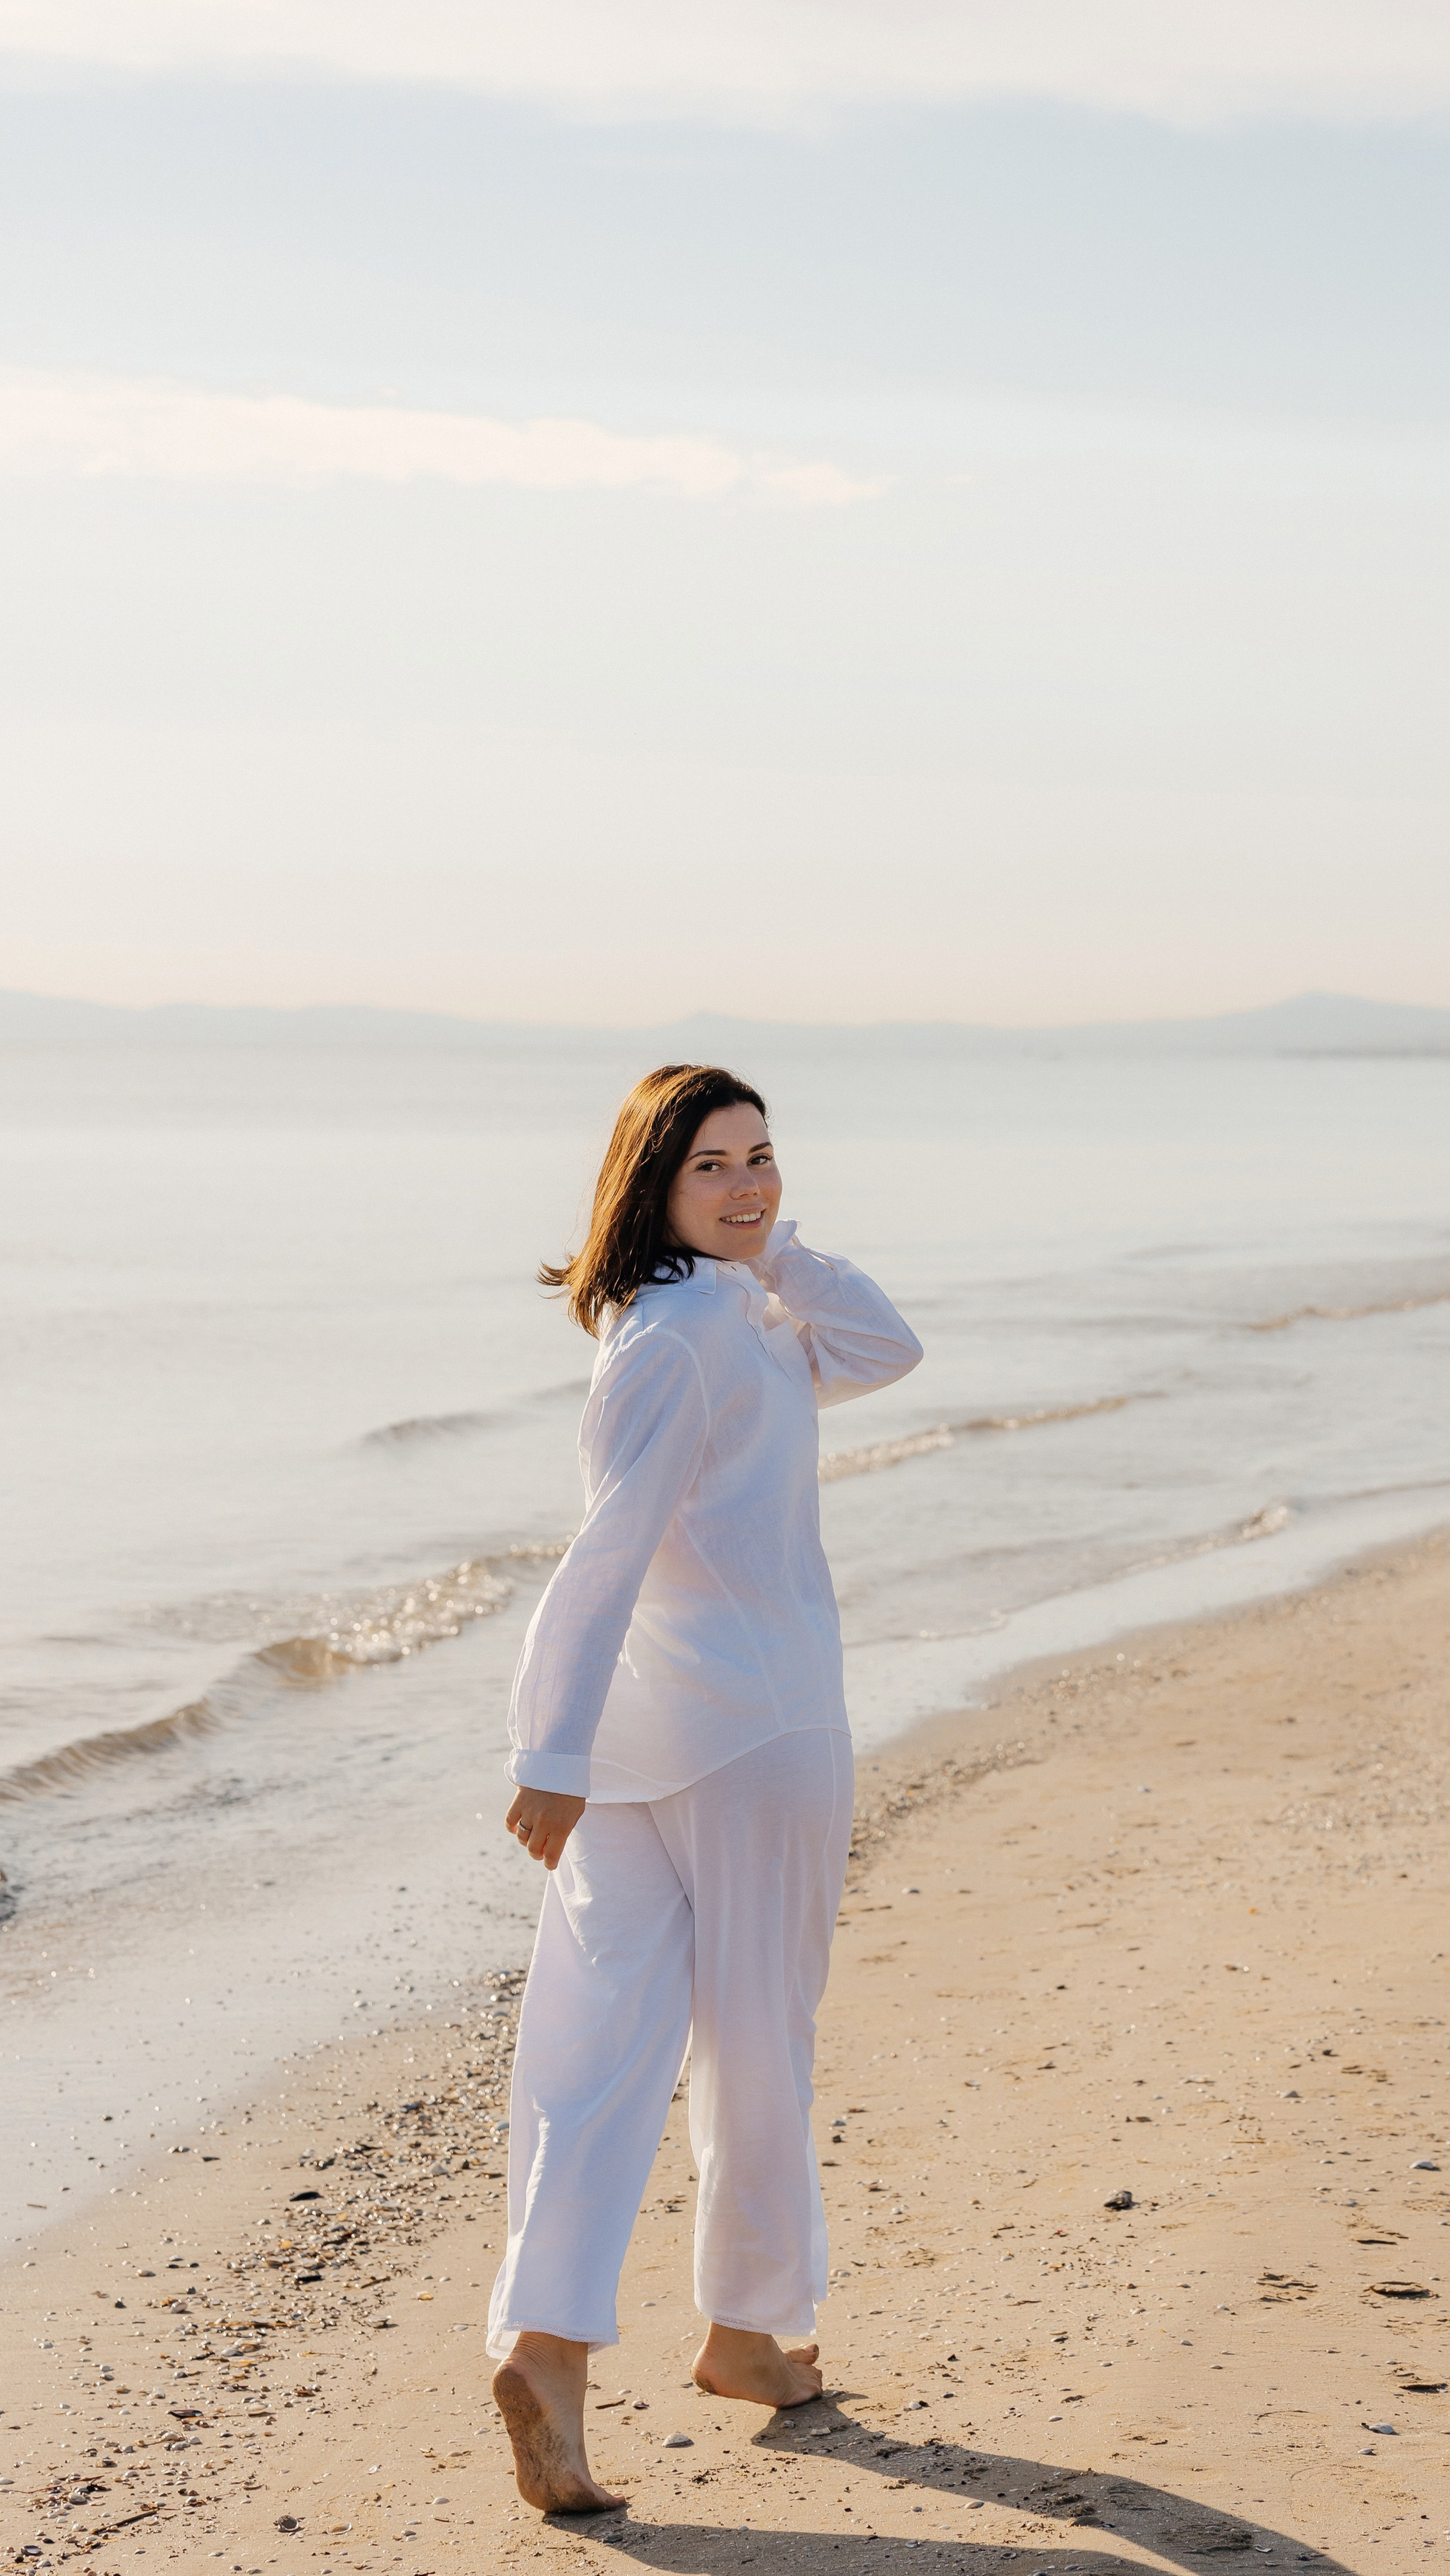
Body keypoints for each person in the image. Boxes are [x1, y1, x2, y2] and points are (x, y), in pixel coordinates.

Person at [486, 1062, 923, 2514]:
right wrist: (544, 1753)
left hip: (640, 1740)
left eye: (762, 1156)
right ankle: (743, 2328)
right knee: (755, 2039)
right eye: (712, 1167)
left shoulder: (720, 1317)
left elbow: (886, 1344)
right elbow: (605, 1550)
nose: (749, 1185)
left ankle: (552, 2348)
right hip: (754, 1736)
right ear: (651, 1184)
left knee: (592, 2049)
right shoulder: (694, 1337)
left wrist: (768, 1246)